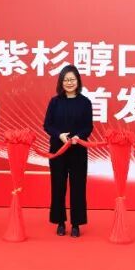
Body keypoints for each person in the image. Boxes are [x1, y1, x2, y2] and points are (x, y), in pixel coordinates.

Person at [43, 65, 93, 237]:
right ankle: (60, 222)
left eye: (72, 79)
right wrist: (59, 135)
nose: (69, 83)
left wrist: (78, 136)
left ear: (78, 81)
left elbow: (88, 126)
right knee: (58, 186)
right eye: (66, 80)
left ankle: (76, 224)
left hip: (78, 150)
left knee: (78, 187)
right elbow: (47, 125)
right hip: (58, 150)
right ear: (61, 82)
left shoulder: (85, 102)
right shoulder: (55, 102)